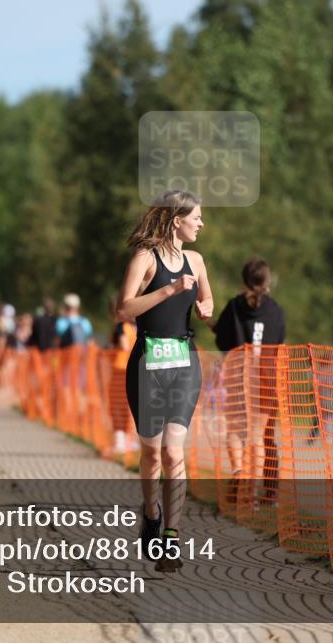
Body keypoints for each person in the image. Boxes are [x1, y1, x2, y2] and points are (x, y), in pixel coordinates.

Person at [116, 189, 213, 572]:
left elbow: (207, 303)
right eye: (197, 217)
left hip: (184, 361)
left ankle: (171, 537)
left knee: (174, 452)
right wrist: (169, 289)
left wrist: (205, 308)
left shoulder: (197, 260)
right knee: (152, 453)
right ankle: (152, 514)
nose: (202, 223)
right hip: (147, 365)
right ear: (177, 220)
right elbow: (123, 309)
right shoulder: (145, 258)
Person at [213, 257, 287, 504]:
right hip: (266, 380)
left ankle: (240, 475)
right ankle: (265, 492)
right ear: (268, 281)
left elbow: (223, 341)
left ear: (244, 280)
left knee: (235, 430)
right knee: (263, 436)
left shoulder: (234, 307)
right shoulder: (276, 311)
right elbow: (278, 345)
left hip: (237, 376)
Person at [108, 295, 137, 456]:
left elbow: (124, 345)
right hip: (133, 368)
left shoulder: (121, 326)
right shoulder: (135, 326)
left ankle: (120, 441)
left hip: (120, 368)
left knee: (117, 405)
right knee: (128, 406)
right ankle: (128, 441)